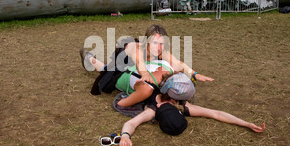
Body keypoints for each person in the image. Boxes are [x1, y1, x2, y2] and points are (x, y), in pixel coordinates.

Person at [116, 73, 266, 146]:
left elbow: (216, 113)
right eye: (176, 100)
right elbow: (131, 122)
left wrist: (246, 123)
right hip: (129, 77)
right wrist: (125, 136)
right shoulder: (156, 108)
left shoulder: (178, 106)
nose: (178, 103)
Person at [80, 24, 214, 107]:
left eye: (161, 43)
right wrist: (145, 75)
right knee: (105, 72)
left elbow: (177, 63)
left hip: (135, 69)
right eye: (155, 43)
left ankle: (90, 58)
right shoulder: (137, 48)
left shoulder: (162, 51)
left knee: (104, 69)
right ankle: (88, 57)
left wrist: (195, 74)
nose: (159, 47)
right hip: (122, 66)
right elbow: (140, 63)